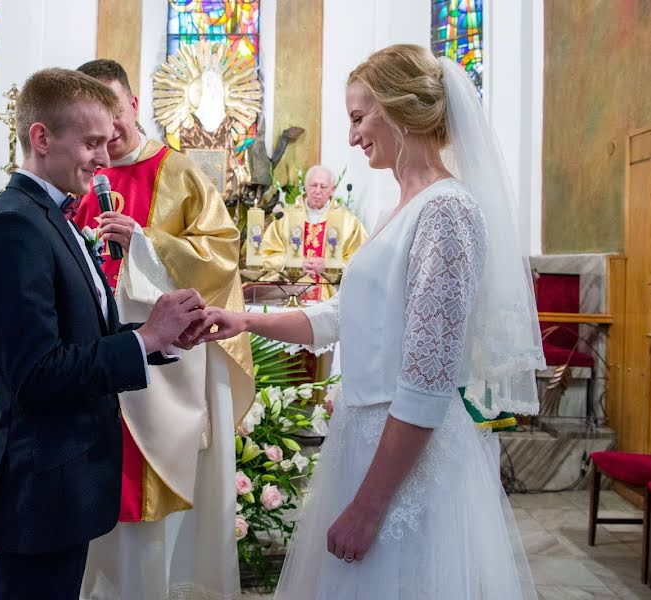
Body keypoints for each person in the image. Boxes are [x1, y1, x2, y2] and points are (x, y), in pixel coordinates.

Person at [195, 44, 544, 599]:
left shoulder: (446, 212)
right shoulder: (399, 209)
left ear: (402, 109)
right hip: (365, 441)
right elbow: (341, 316)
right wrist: (243, 320)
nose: (353, 137)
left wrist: (367, 506)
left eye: (359, 117)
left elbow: (428, 379)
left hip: (406, 464)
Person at [0, 67, 207, 600]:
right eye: (92, 142)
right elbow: (36, 375)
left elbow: (81, 335)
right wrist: (141, 343)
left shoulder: (55, 218)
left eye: (107, 141)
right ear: (42, 137)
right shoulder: (13, 227)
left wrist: (157, 336)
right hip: (40, 486)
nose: (104, 158)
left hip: (65, 487)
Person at [72, 59, 254, 600]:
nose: (110, 125)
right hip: (90, 364)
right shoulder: (77, 175)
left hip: (163, 378)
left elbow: (220, 257)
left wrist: (145, 243)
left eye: (115, 107)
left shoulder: (178, 172)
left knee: (150, 501)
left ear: (133, 103)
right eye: (95, 114)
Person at [259, 165, 367, 300]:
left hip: (330, 299)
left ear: (332, 190)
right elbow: (264, 256)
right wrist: (292, 262)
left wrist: (329, 265)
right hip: (289, 297)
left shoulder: (349, 222)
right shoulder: (285, 219)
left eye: (323, 186)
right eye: (313, 185)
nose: (317, 191)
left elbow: (362, 262)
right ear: (305, 186)